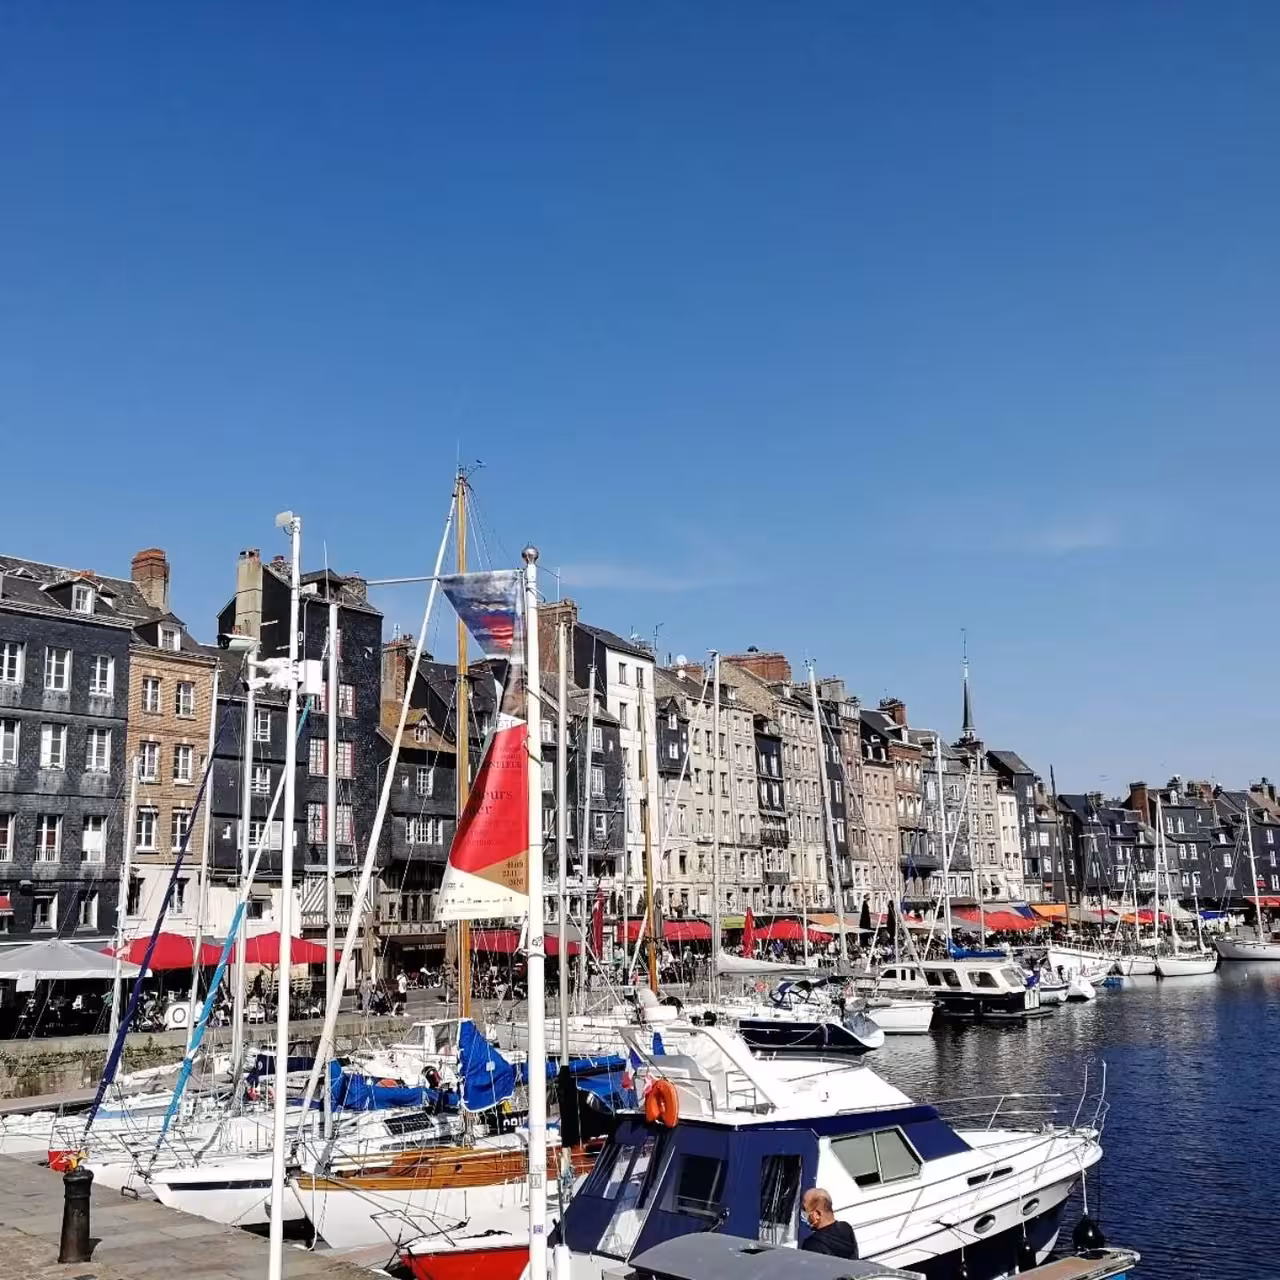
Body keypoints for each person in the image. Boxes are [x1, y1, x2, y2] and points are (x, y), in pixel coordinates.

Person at [799, 1188, 858, 1259]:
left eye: (805, 1209)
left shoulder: (812, 1245)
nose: (803, 1214)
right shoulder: (846, 1228)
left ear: (817, 1214)